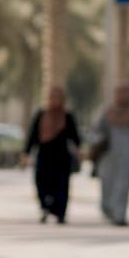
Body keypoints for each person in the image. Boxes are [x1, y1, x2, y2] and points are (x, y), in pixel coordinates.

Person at [93, 83, 129, 226]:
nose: (123, 96)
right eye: (120, 93)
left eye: (126, 93)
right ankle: (108, 209)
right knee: (108, 184)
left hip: (128, 155)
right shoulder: (106, 112)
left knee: (123, 185)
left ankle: (120, 215)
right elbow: (96, 131)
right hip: (108, 155)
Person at [24, 87, 81, 225]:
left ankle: (60, 213)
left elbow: (75, 137)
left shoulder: (67, 116)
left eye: (58, 97)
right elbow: (33, 135)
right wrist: (26, 152)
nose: (55, 100)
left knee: (61, 186)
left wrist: (79, 150)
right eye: (52, 97)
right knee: (41, 182)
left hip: (61, 157)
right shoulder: (41, 114)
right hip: (44, 156)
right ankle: (45, 208)